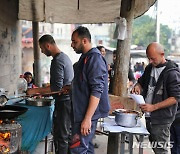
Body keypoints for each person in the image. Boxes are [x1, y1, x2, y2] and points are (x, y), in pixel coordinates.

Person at [27, 34, 74, 154]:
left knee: (61, 136)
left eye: (42, 48)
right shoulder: (64, 57)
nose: (42, 52)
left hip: (64, 103)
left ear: (48, 45)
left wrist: (34, 91)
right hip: (67, 101)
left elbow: (56, 88)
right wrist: (42, 91)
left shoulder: (58, 61)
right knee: (65, 135)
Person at [131, 42, 180, 154]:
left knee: (161, 150)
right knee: (155, 147)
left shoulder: (172, 73)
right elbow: (141, 82)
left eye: (153, 58)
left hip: (162, 119)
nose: (150, 61)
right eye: (149, 59)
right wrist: (137, 86)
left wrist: (153, 107)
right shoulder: (149, 68)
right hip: (149, 117)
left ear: (162, 54)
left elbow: (175, 98)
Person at [70, 26, 110, 154]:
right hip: (80, 111)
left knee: (78, 149)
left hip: (86, 114)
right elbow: (83, 83)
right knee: (86, 148)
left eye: (74, 41)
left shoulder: (94, 59)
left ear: (85, 41)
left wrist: (87, 119)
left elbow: (96, 90)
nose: (72, 45)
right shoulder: (85, 58)